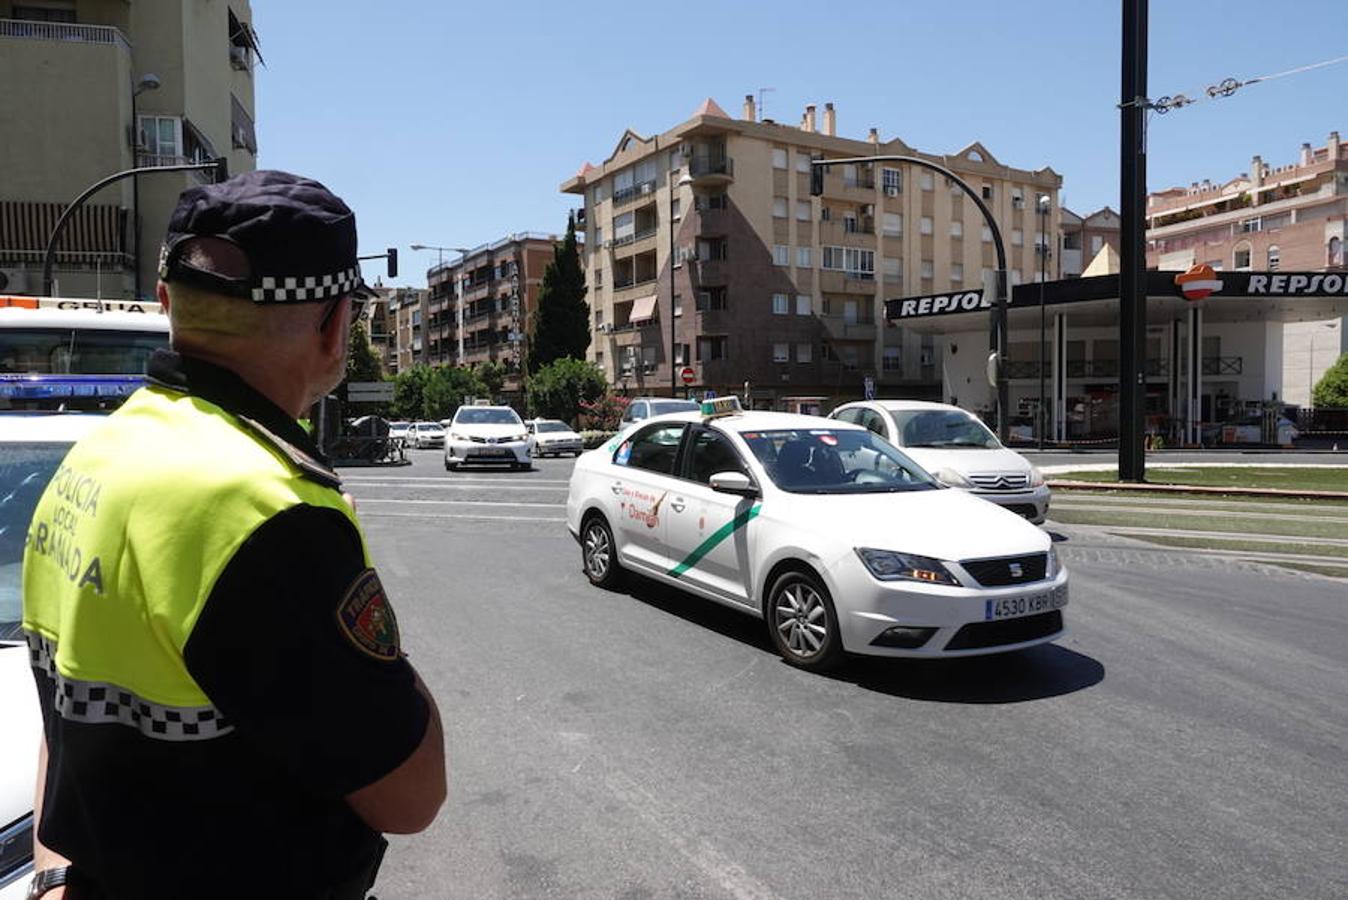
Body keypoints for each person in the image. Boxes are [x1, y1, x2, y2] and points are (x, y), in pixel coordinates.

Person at [20, 171, 446, 900]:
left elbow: (66, 714)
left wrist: (55, 871)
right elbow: (411, 796)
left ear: (165, 304)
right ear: (337, 323)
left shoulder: (93, 459)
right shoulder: (267, 508)